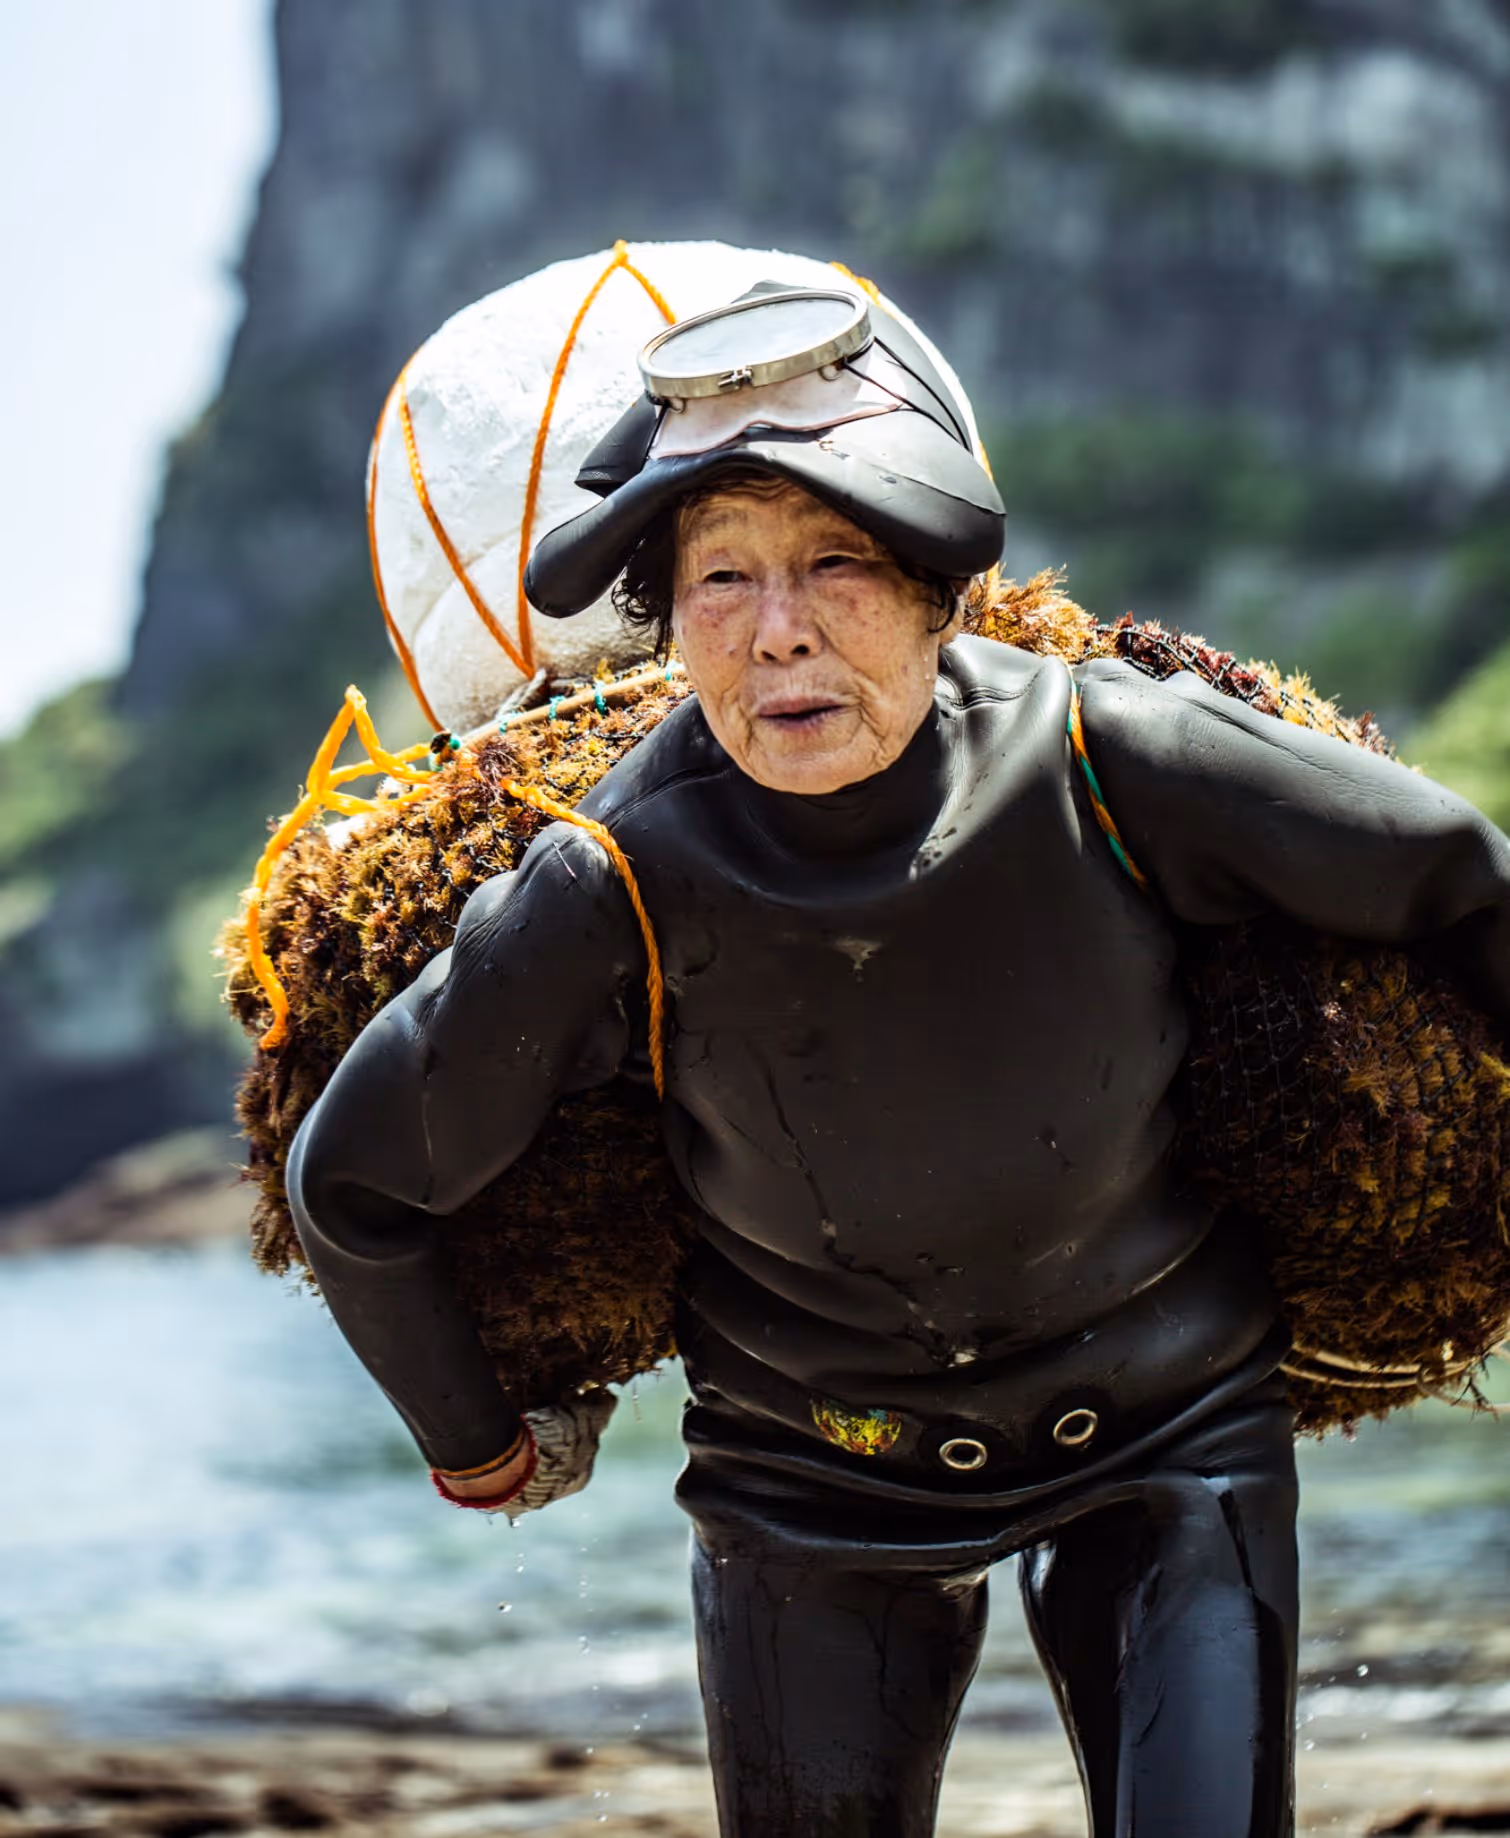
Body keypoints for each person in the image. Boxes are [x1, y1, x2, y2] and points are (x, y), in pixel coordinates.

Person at [287, 284, 1510, 1838]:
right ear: (665, 623)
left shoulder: (1110, 758)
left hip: (1166, 1424)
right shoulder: (611, 886)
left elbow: (1465, 882)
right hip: (809, 1483)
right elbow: (353, 1182)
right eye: (718, 575)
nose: (778, 627)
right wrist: (484, 1447)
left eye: (836, 559)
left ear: (942, 593)